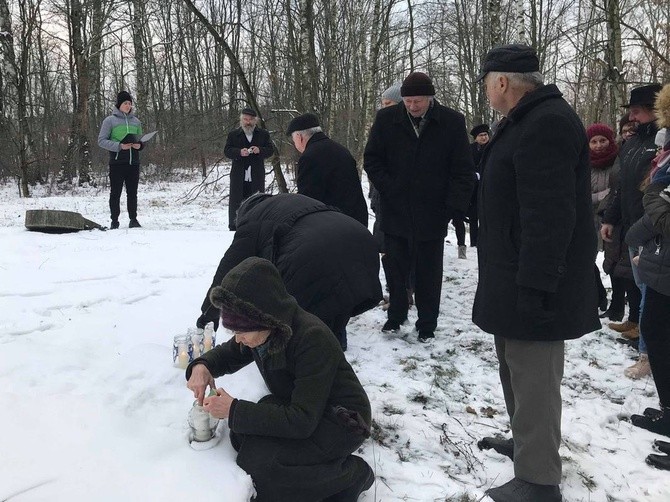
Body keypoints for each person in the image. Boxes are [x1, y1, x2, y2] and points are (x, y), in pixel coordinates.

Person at [472, 44, 599, 502]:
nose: (487, 89)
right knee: (516, 371)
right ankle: (529, 448)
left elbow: (550, 217)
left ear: (502, 82)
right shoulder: (528, 121)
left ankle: (539, 480)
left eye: (488, 82)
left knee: (535, 377)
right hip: (514, 276)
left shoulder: (546, 124)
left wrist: (537, 285)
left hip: (535, 281)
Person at [186, 257, 374, 501]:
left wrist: (233, 410)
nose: (238, 339)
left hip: (340, 420)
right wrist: (202, 365)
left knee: (264, 472)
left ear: (265, 319)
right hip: (299, 406)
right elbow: (228, 354)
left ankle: (352, 476)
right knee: (242, 440)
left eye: (241, 332)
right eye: (234, 332)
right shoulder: (264, 331)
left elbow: (302, 421)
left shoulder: (311, 339)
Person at [364, 71, 475, 342]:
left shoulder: (451, 122)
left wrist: (451, 208)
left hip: (433, 212)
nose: (413, 106)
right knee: (395, 267)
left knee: (428, 271)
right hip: (395, 210)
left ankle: (427, 323)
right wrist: (389, 187)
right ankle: (396, 315)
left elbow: (463, 170)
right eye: (408, 101)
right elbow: (372, 160)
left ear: (430, 98)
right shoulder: (386, 120)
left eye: (418, 101)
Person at [196, 193, 382, 351]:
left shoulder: (252, 218)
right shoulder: (291, 201)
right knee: (337, 297)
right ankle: (333, 348)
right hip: (361, 242)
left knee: (294, 320)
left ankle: (304, 364)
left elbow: (229, 267)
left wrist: (209, 313)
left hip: (311, 252)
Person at [601, 84, 662, 375]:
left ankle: (648, 356)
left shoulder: (662, 143)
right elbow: (621, 186)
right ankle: (646, 344)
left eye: (636, 110)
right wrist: (610, 218)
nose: (632, 117)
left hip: (656, 229)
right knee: (641, 288)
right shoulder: (633, 143)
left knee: (653, 293)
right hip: (632, 227)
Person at [624, 83, 670, 449]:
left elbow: (661, 212)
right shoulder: (659, 152)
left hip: (664, 259)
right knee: (654, 333)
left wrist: (653, 196)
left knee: (658, 334)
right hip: (660, 259)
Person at [287, 113, 368, 227]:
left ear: (300, 137)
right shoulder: (341, 150)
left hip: (332, 224)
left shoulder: (309, 157)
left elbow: (308, 199)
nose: (295, 144)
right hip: (356, 219)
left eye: (294, 140)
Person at [98, 90, 145, 229]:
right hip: (117, 163)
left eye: (130, 103)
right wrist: (119, 146)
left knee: (132, 193)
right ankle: (114, 221)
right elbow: (101, 141)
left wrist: (140, 145)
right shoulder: (109, 121)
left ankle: (133, 219)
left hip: (133, 162)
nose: (128, 106)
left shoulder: (136, 121)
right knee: (115, 193)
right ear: (119, 104)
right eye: (125, 103)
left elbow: (141, 140)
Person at [587, 123, 620, 313]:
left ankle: (616, 302)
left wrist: (609, 195)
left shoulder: (618, 161)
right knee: (588, 259)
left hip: (613, 219)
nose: (598, 145)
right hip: (589, 219)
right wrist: (604, 194)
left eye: (602, 140)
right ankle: (596, 297)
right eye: (594, 141)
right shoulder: (584, 163)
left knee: (614, 262)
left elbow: (619, 191)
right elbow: (581, 193)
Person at [224, 108, 273, 231]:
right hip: (238, 174)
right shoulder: (233, 135)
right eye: (245, 119)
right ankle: (234, 226)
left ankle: (256, 225)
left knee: (257, 200)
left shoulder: (263, 134)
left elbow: (270, 150)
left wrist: (259, 150)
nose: (248, 122)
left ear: (255, 121)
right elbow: (227, 151)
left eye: (251, 119)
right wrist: (239, 152)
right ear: (241, 120)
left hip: (256, 174)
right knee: (236, 201)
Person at [466, 123, 490, 248]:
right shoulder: (470, 149)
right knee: (474, 216)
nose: (484, 138)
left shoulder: (492, 148)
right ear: (476, 137)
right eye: (481, 135)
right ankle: (473, 241)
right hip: (474, 187)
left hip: (489, 186)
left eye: (485, 135)